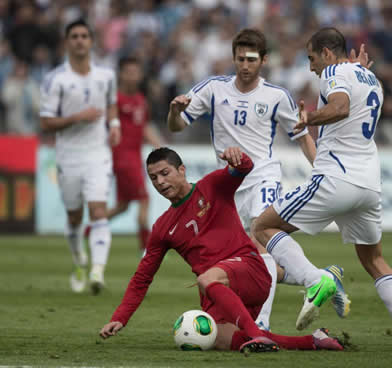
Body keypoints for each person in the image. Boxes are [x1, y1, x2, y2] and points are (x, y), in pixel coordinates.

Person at [253, 27, 392, 352]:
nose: (311, 67)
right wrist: (357, 68)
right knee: (373, 258)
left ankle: (316, 280)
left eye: (312, 58)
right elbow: (353, 98)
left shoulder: (333, 71)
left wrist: (310, 118)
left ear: (328, 54)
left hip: (337, 178)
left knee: (263, 225)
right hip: (369, 184)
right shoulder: (369, 77)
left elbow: (341, 107)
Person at [99, 146, 344, 353]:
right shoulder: (163, 227)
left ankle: (256, 335)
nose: (160, 182)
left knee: (207, 278)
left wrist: (238, 157)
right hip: (218, 292)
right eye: (153, 178)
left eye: (165, 173)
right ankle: (313, 341)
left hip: (249, 271)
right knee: (217, 339)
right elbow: (142, 278)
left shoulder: (212, 186)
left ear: (181, 170)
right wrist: (120, 317)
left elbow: (244, 168)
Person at [167, 28, 320, 331]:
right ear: (234, 58)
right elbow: (176, 127)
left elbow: (302, 137)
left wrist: (321, 171)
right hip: (229, 186)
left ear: (263, 60)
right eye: (240, 59)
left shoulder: (277, 96)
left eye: (251, 59)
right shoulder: (213, 89)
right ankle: (318, 277)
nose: (245, 65)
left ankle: (260, 324)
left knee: (260, 236)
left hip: (263, 175)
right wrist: (174, 111)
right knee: (248, 257)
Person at [39, 19, 120, 295]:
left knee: (98, 210)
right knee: (74, 217)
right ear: (67, 42)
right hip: (68, 156)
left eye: (84, 35)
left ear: (91, 41)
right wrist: (77, 118)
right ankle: (78, 262)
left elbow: (111, 105)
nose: (80, 40)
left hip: (98, 153)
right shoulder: (56, 80)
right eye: (74, 36)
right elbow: (46, 122)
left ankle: (97, 271)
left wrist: (116, 126)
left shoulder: (106, 76)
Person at [86, 57, 163, 251]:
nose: (132, 76)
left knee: (123, 205)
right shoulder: (115, 100)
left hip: (135, 158)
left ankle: (89, 230)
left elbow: (143, 127)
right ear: (121, 74)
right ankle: (145, 249)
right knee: (145, 200)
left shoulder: (141, 100)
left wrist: (158, 145)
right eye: (128, 72)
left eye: (135, 72)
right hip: (122, 158)